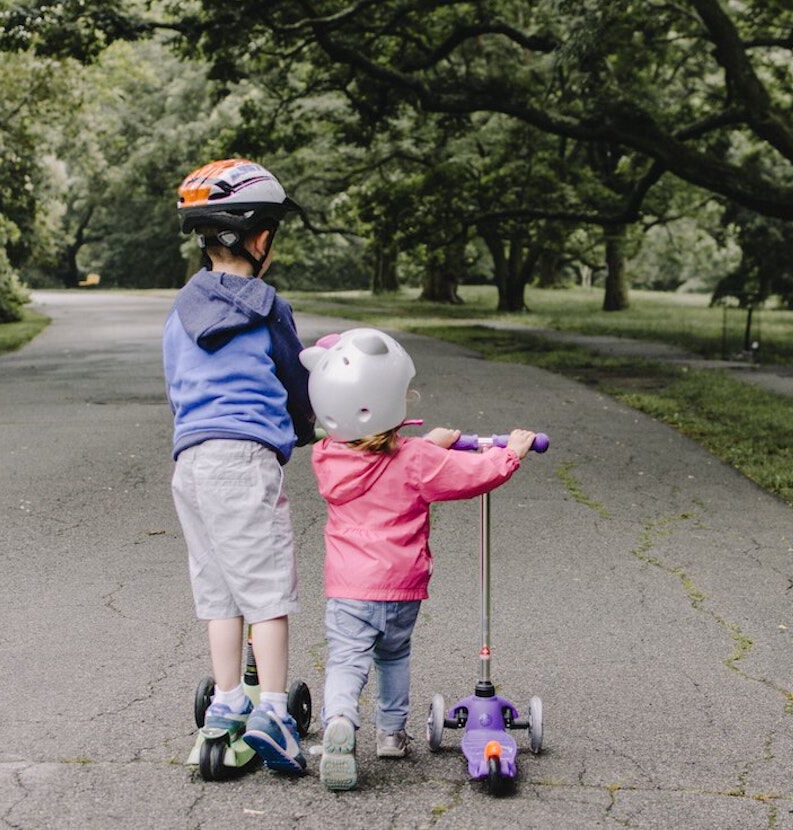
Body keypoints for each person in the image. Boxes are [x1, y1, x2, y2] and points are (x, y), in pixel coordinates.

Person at [297, 327, 536, 791]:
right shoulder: (416, 460)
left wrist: (429, 443)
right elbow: (470, 474)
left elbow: (380, 456)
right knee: (394, 656)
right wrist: (510, 454)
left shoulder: (328, 457)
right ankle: (391, 734)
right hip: (401, 587)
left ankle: (340, 720)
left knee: (346, 660)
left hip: (349, 588)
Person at [163, 158, 315, 775]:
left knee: (219, 590)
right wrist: (307, 428)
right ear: (261, 239)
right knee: (266, 590)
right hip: (245, 460)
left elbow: (176, 385)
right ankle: (274, 711)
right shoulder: (268, 307)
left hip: (191, 462)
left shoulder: (180, 310)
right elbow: (297, 379)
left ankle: (227, 700)